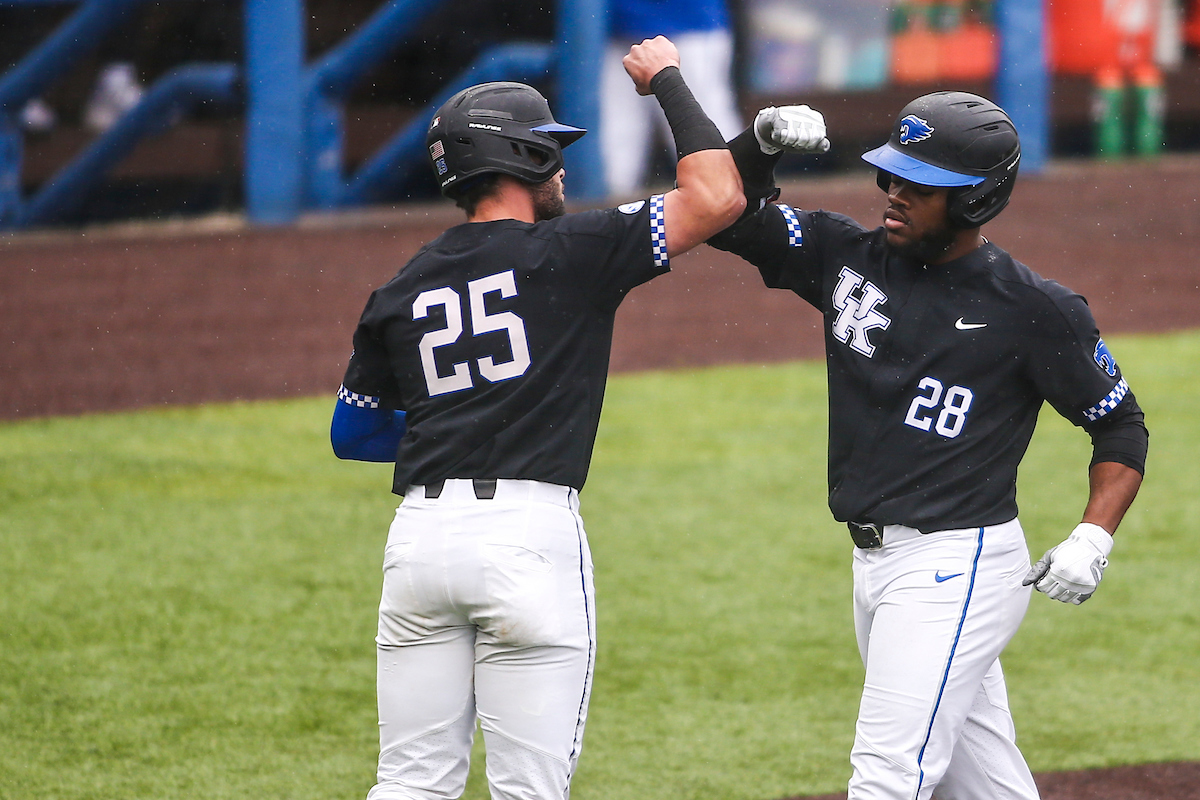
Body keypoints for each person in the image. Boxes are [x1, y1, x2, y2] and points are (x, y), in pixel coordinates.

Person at [330, 36, 746, 800]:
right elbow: (718, 197)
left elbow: (351, 433)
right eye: (548, 152)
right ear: (519, 158)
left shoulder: (400, 286)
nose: (560, 168)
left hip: (418, 546)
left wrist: (456, 429)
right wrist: (668, 82)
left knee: (409, 785)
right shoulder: (574, 249)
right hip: (527, 541)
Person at [708, 93, 1148, 799]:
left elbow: (1120, 423)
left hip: (956, 567)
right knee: (982, 786)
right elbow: (725, 209)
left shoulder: (1034, 310)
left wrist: (1093, 537)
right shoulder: (844, 256)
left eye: (922, 186)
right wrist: (759, 143)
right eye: (891, 177)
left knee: (886, 776)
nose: (895, 195)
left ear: (976, 199)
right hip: (875, 565)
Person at [600, 0, 742, 197]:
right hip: (614, 29)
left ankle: (735, 210)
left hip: (687, 25)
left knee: (701, 130)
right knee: (616, 144)